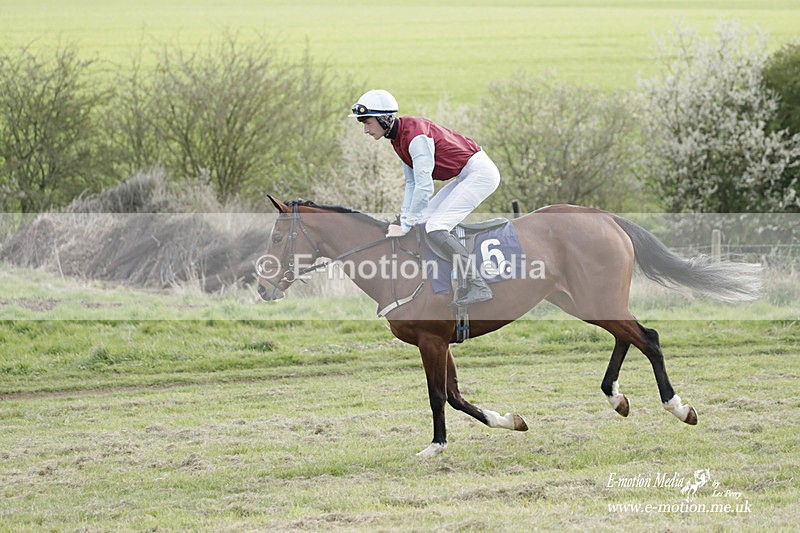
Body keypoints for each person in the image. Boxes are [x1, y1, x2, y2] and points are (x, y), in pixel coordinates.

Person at [349, 89, 500, 306]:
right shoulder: (398, 139)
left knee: (436, 226)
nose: (365, 129)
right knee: (423, 221)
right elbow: (411, 184)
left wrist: (406, 223)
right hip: (465, 173)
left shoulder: (415, 136)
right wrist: (406, 220)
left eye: (367, 122)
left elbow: (424, 186)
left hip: (480, 173)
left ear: (384, 119)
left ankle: (478, 284)